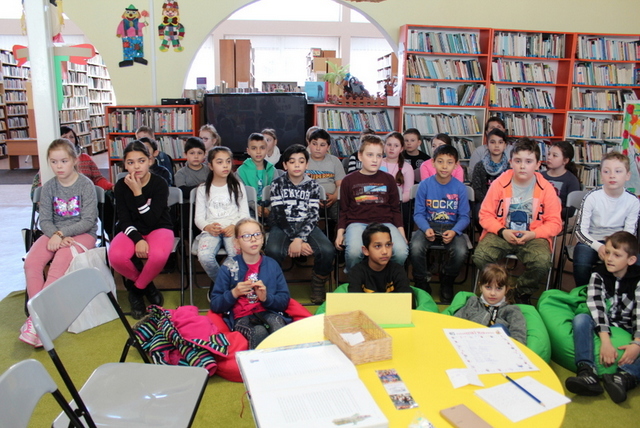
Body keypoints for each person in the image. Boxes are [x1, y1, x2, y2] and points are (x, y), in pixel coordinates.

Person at [20, 139, 98, 347]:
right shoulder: (49, 187)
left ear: (74, 160)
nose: (59, 166)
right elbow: (44, 219)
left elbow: (88, 220)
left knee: (59, 263)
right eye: (54, 162)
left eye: (64, 161)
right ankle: (38, 318)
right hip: (54, 233)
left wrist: (62, 233)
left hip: (83, 234)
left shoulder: (85, 185)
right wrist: (55, 234)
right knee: (31, 262)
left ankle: (38, 320)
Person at [473, 138, 562, 304]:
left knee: (541, 262)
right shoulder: (499, 183)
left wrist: (533, 234)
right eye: (518, 161)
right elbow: (485, 215)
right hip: (502, 232)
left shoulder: (546, 188)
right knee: (480, 256)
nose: (522, 166)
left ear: (538, 164)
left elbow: (555, 223)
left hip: (533, 236)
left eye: (528, 161)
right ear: (511, 162)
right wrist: (502, 231)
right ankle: (498, 288)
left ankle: (520, 292)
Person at [564, 231, 640, 403]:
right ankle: (587, 371)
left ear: (631, 260)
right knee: (581, 319)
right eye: (607, 252)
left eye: (617, 255)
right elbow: (596, 307)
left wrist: (637, 344)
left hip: (629, 326)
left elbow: (639, 313)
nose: (609, 259)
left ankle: (625, 377)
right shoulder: (598, 274)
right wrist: (605, 342)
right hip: (605, 321)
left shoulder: (638, 279)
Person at [109, 141, 173, 319]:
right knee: (116, 256)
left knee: (158, 256)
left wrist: (138, 192)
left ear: (150, 161)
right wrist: (138, 239)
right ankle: (147, 285)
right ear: (124, 164)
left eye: (141, 161)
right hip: (132, 229)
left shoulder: (159, 183)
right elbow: (124, 219)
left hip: (159, 227)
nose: (136, 166)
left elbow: (151, 220)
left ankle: (136, 291)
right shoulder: (121, 186)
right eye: (131, 162)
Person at [265, 144, 335, 304]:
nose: (297, 165)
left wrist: (299, 239)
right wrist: (295, 239)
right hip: (283, 225)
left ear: (307, 164)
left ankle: (318, 282)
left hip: (307, 225)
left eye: (301, 161)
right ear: (285, 165)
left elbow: (313, 216)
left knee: (327, 250)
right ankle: (276, 284)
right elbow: (279, 215)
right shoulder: (277, 184)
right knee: (272, 250)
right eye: (292, 161)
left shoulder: (313, 185)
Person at [209, 218, 291, 349]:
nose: (253, 239)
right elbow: (215, 304)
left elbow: (284, 301)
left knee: (278, 327)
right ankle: (256, 362)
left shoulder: (272, 264)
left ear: (262, 238)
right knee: (258, 331)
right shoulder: (229, 267)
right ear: (237, 242)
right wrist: (234, 293)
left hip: (269, 312)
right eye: (246, 236)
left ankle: (279, 361)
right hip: (242, 317)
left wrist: (266, 298)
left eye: (257, 234)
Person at [335, 135, 408, 273]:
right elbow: (343, 210)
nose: (375, 160)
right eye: (370, 155)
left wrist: (402, 234)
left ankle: (387, 277)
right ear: (360, 156)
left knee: (401, 251)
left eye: (379, 155)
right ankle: (355, 277)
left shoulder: (388, 179)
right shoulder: (348, 180)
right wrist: (340, 234)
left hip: (385, 223)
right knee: (354, 252)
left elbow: (395, 210)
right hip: (357, 223)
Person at [410, 145, 470, 302]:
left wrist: (455, 231)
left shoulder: (460, 188)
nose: (444, 166)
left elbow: (464, 217)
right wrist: (426, 228)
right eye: (440, 161)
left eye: (449, 162)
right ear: (433, 163)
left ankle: (447, 280)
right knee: (415, 247)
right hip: (429, 225)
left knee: (461, 250)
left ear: (456, 165)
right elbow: (418, 214)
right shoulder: (424, 185)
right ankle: (421, 281)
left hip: (452, 227)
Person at [574, 152, 640, 287]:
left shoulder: (633, 201)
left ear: (627, 175)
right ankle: (584, 292)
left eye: (618, 171)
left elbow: (629, 234)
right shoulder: (591, 197)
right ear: (601, 175)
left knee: (635, 261)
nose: (612, 175)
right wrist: (599, 247)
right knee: (581, 258)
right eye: (606, 171)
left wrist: (612, 249)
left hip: (619, 242)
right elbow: (580, 231)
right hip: (592, 241)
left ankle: (624, 292)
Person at [195, 147, 250, 285]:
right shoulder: (203, 189)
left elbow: (245, 214)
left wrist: (234, 226)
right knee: (205, 257)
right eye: (219, 162)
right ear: (210, 166)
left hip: (233, 229)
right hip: (211, 230)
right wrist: (207, 227)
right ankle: (224, 285)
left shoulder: (238, 186)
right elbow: (199, 218)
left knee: (236, 255)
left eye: (228, 161)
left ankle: (225, 285)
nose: (225, 165)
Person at [453, 264, 527, 344]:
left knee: (498, 328)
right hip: (470, 342)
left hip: (497, 346)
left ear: (506, 289)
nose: (492, 293)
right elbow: (455, 322)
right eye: (488, 287)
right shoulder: (472, 302)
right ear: (480, 287)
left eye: (499, 288)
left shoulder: (511, 310)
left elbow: (519, 335)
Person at [348, 223, 413, 295]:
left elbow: (407, 299)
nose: (385, 251)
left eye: (388, 245)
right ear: (366, 250)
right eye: (378, 246)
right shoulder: (356, 272)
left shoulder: (397, 270)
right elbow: (354, 300)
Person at [306, 128, 345, 220]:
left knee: (342, 212)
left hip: (332, 199)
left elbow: (340, 185)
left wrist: (334, 197)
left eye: (322, 145)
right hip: (309, 199)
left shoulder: (334, 161)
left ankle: (339, 229)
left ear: (328, 147)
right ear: (309, 144)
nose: (318, 148)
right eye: (314, 144)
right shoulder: (303, 160)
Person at [236, 133, 276, 218]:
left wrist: (268, 208)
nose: (258, 152)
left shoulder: (272, 170)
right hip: (249, 206)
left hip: (269, 205)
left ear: (267, 149)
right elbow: (240, 196)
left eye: (262, 148)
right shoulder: (241, 171)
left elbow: (277, 193)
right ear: (248, 151)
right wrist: (255, 207)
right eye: (254, 148)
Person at [541, 141, 581, 220]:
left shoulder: (571, 180)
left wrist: (550, 211)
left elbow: (570, 211)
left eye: (554, 155)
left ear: (565, 161)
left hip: (557, 219)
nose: (549, 157)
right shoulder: (540, 176)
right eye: (549, 154)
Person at [471, 128, 509, 207]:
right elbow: (477, 190)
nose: (496, 145)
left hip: (504, 203)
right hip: (484, 203)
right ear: (487, 145)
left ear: (505, 145)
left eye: (500, 142)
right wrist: (489, 203)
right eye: (492, 142)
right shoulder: (479, 166)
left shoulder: (509, 168)